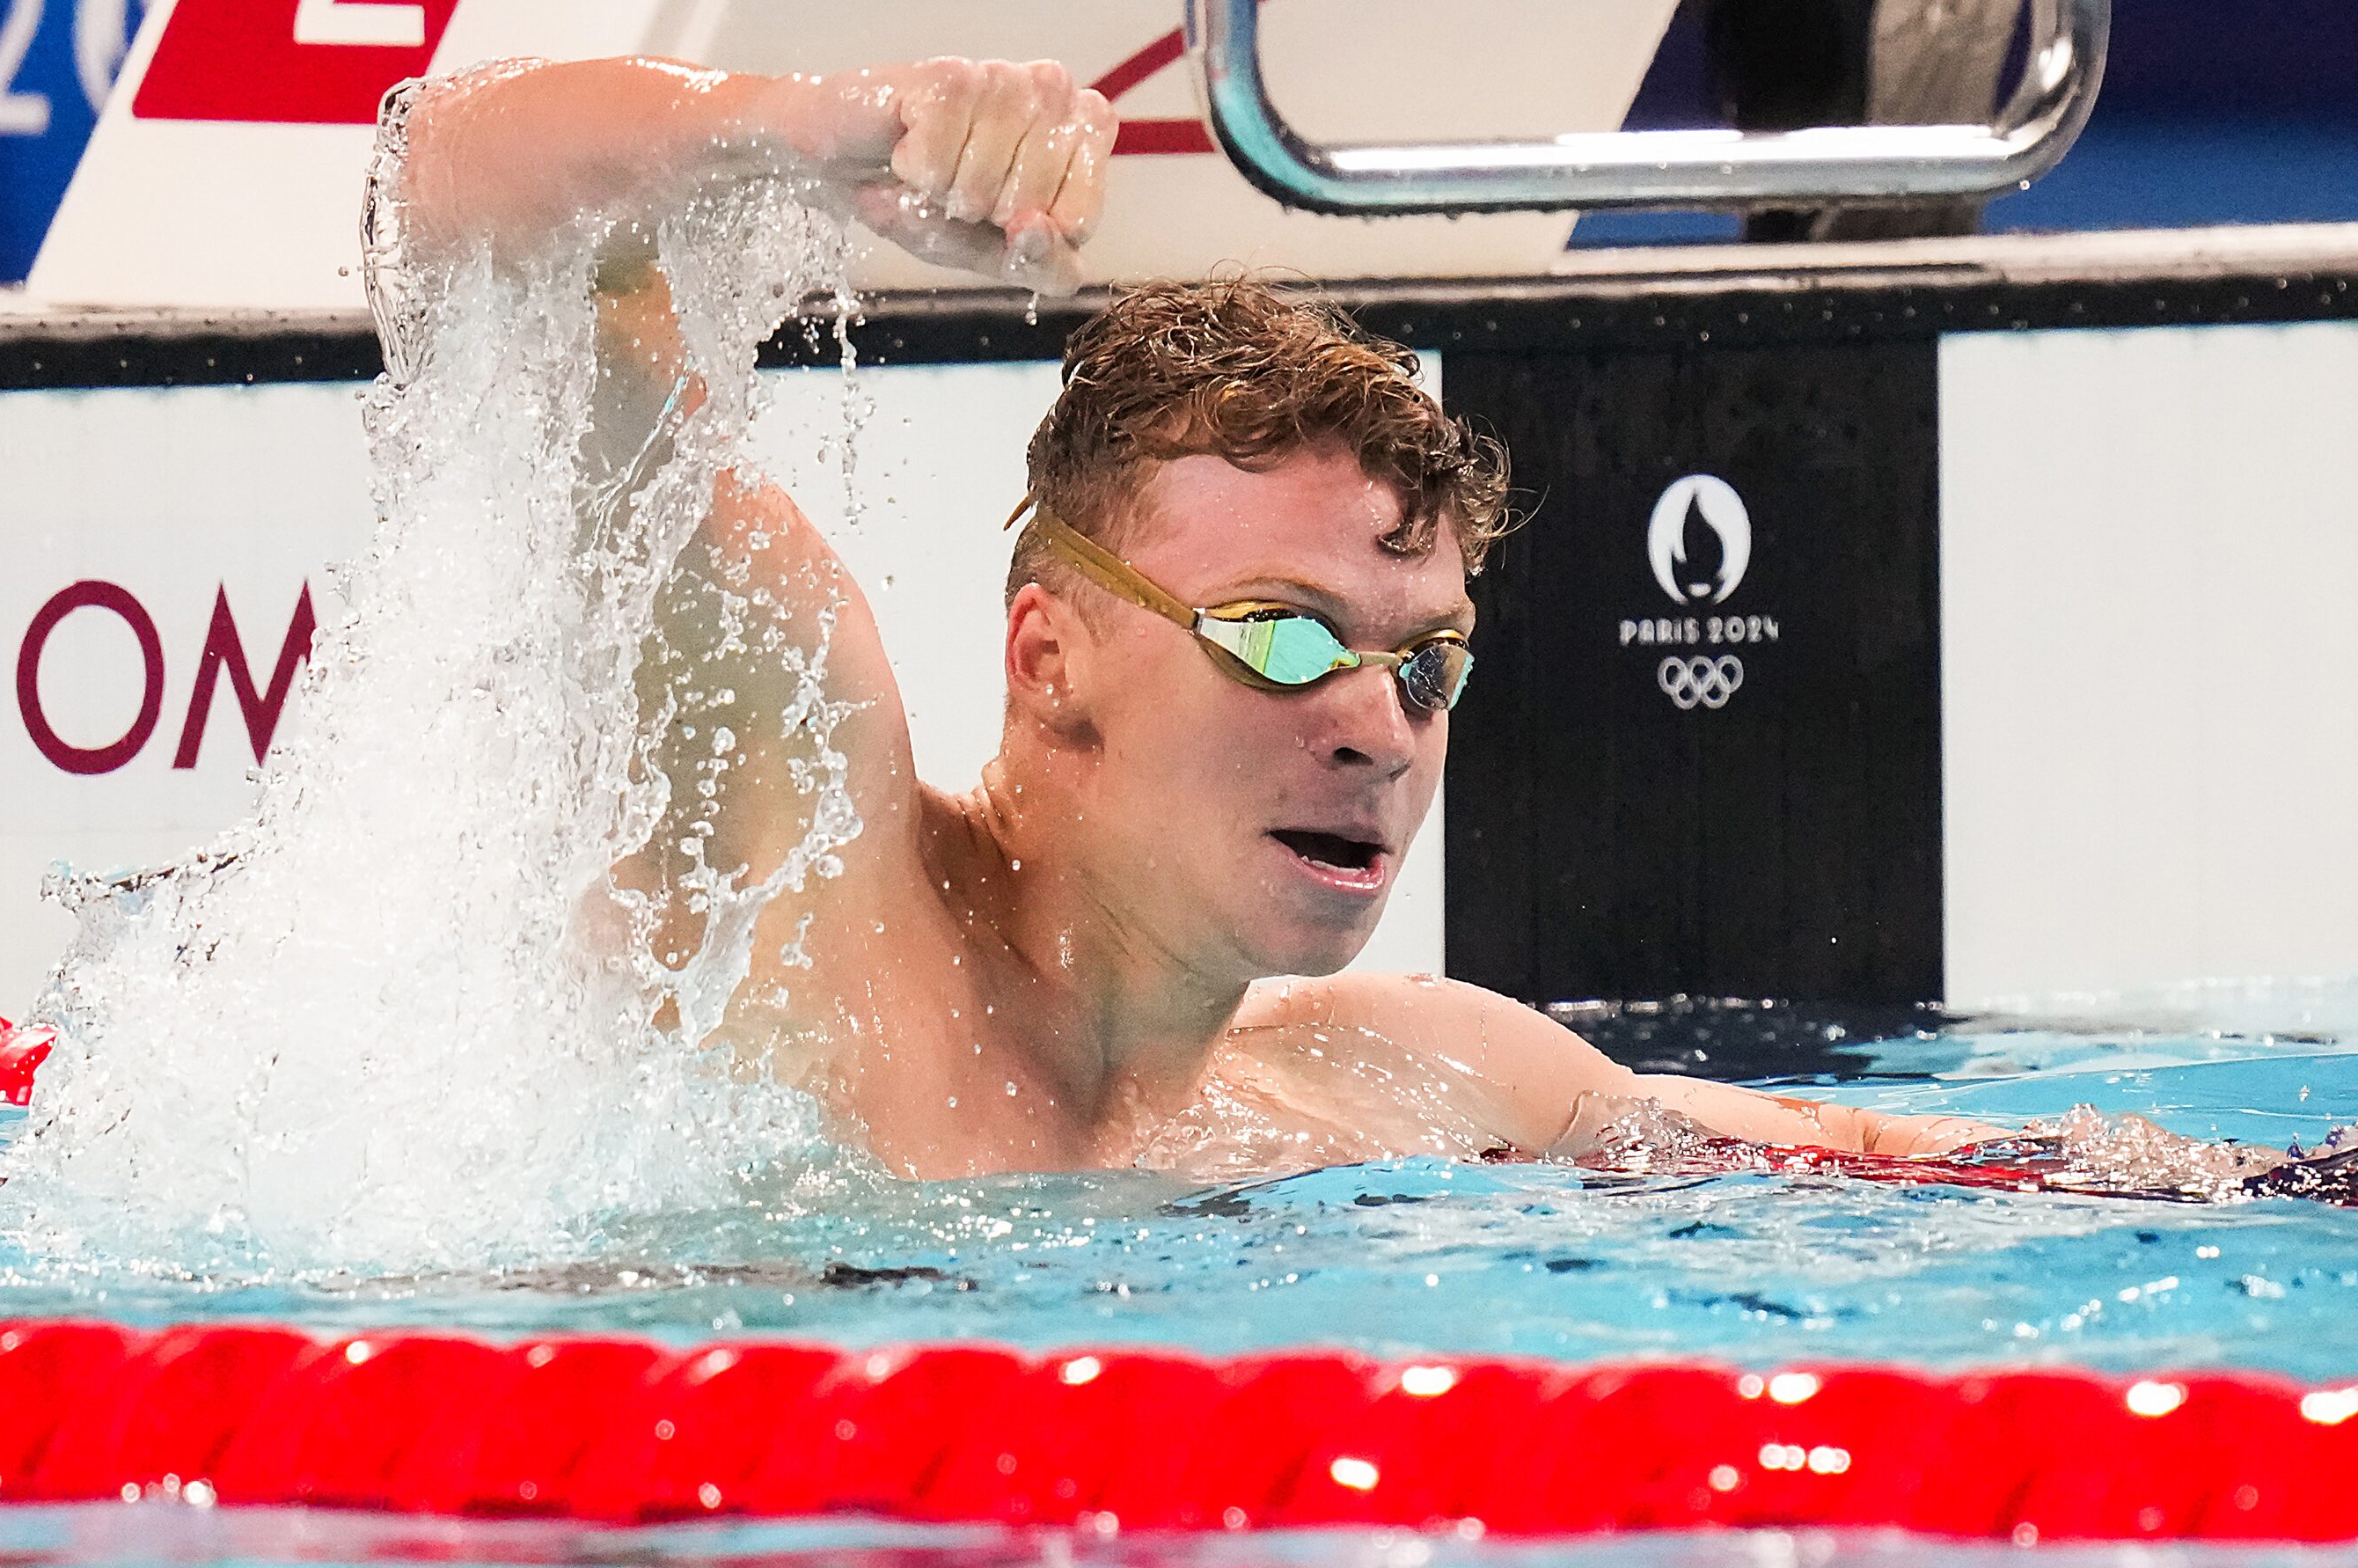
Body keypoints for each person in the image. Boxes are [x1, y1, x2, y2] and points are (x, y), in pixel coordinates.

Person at [373, 54, 2038, 1181]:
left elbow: (1916, 1167)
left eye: (1425, 662)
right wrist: (815, 127)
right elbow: (437, 191)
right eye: (1284, 636)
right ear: (1049, 655)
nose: (1376, 726)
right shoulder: (803, 844)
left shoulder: (1402, 1082)